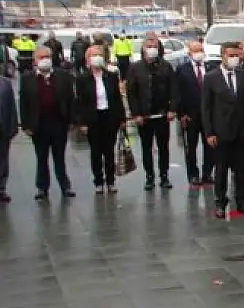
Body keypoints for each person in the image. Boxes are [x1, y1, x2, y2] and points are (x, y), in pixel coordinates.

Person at [202, 42, 244, 217]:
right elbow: (206, 107)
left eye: (237, 55)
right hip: (221, 133)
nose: (235, 59)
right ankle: (220, 202)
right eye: (231, 55)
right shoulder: (211, 77)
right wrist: (209, 132)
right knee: (221, 170)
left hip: (242, 131)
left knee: (242, 170)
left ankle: (242, 200)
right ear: (223, 56)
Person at [19, 46, 76, 200]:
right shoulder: (27, 78)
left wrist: (71, 120)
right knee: (41, 157)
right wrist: (26, 125)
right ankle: (42, 188)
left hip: (58, 123)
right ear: (35, 60)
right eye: (41, 57)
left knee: (59, 157)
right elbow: (24, 104)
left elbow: (71, 100)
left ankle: (65, 186)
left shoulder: (63, 76)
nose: (45, 60)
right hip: (38, 125)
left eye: (47, 57)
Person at [127, 37, 179, 190]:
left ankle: (164, 176)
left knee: (163, 147)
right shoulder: (135, 68)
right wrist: (136, 113)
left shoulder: (166, 66)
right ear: (143, 48)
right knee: (146, 147)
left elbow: (173, 89)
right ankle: (149, 176)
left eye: (154, 46)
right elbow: (131, 93)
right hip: (144, 116)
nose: (152, 48)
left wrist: (172, 109)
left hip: (162, 114)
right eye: (149, 46)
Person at [75, 46, 126, 194]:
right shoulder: (82, 78)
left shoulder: (111, 76)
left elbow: (117, 99)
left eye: (99, 54)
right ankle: (98, 181)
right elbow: (80, 102)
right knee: (96, 152)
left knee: (109, 151)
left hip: (109, 117)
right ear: (88, 59)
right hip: (93, 118)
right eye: (94, 55)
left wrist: (121, 118)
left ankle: (111, 181)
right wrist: (82, 122)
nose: (97, 57)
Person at [177, 41, 213, 185]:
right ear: (189, 53)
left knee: (210, 145)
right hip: (190, 114)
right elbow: (177, 93)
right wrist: (181, 114)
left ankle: (208, 173)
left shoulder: (211, 68)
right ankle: (193, 174)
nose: (199, 53)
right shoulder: (182, 70)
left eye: (201, 50)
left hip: (208, 114)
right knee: (191, 147)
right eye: (196, 50)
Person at [0, 72, 15, 203]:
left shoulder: (5, 83)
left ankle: (1, 189)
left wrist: (12, 127)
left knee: (3, 160)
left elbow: (11, 107)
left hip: (3, 129)